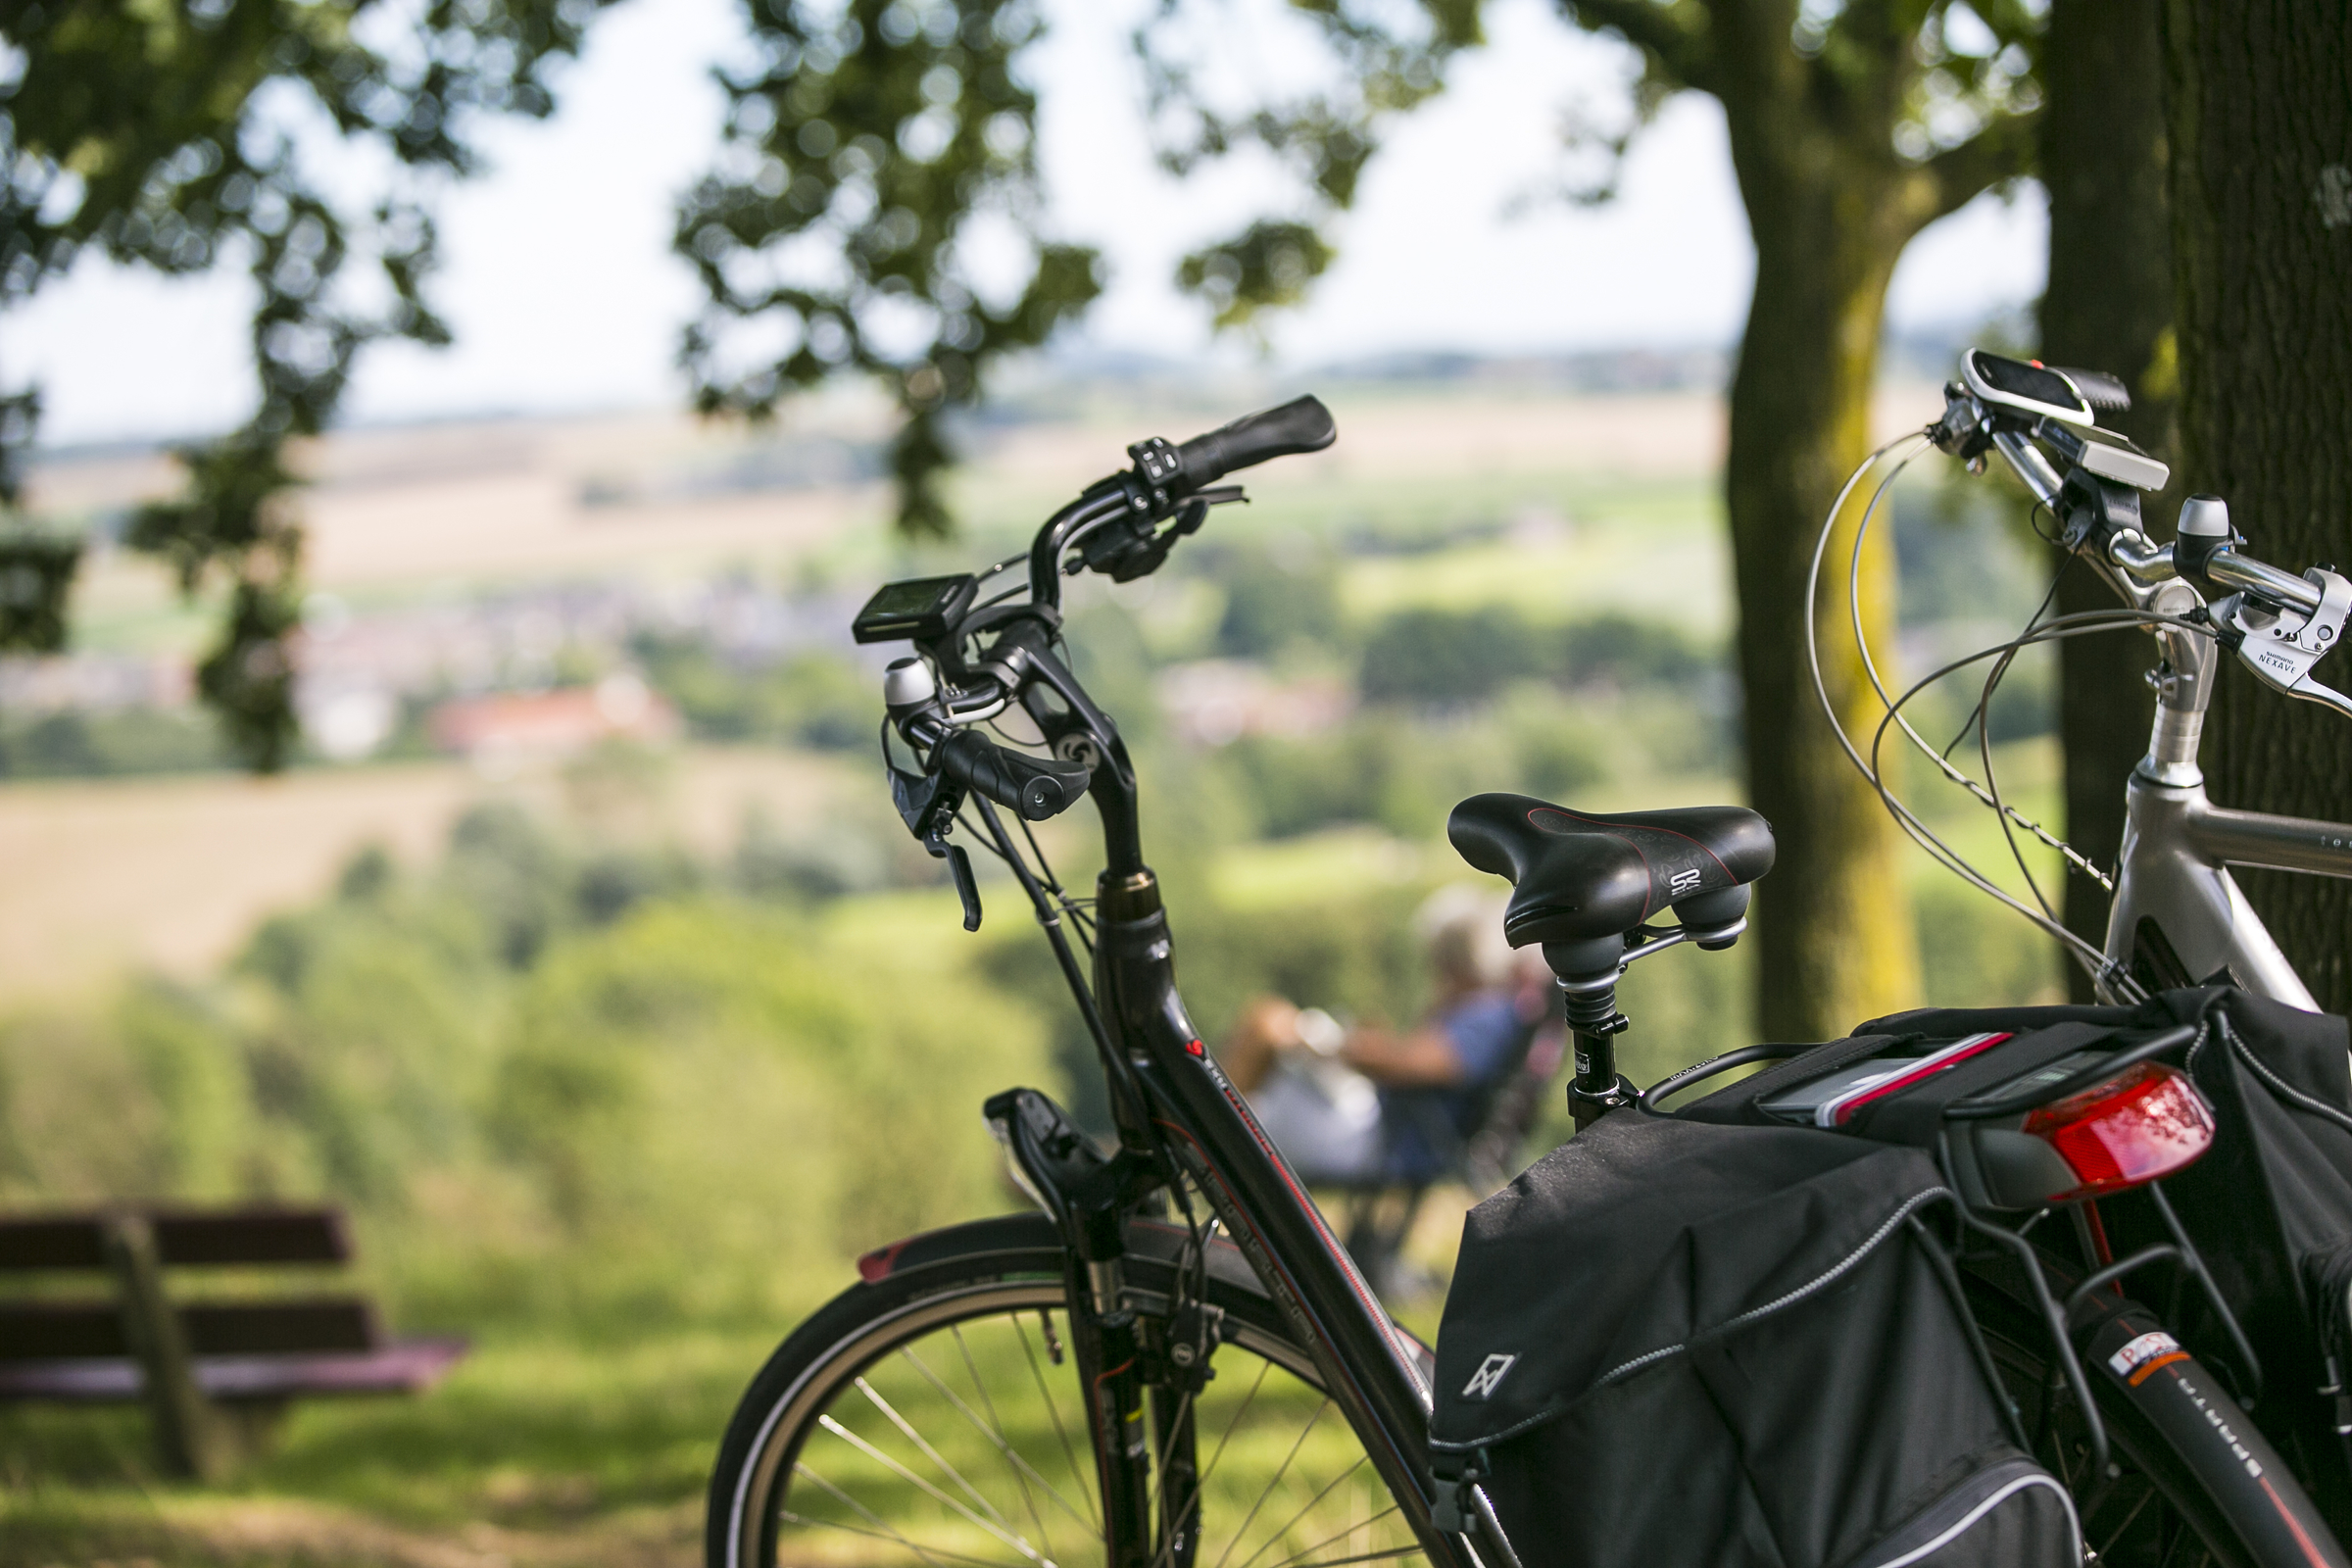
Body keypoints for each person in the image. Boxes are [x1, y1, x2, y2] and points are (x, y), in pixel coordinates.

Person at [1217, 886, 1536, 1184]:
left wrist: (1341, 1045)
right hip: (1381, 1133)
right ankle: (1214, 1131)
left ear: (1452, 961)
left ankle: (1209, 1137)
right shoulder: (1481, 1011)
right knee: (1267, 1032)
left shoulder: (1485, 1016)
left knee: (1265, 1023)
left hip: (1380, 1145)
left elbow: (1412, 1064)